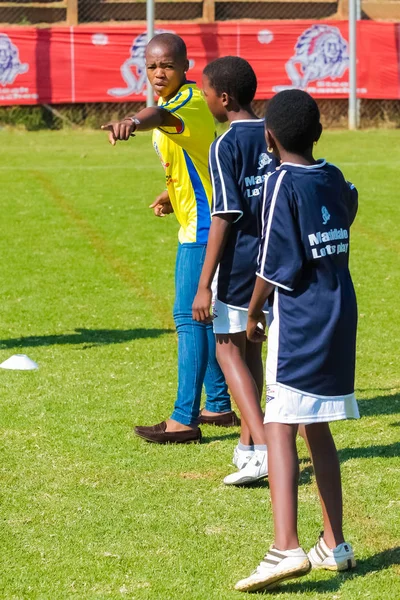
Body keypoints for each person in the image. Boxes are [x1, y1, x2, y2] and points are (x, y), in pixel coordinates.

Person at [235, 89, 359, 592]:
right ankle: (334, 544)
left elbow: (275, 262)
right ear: (319, 132)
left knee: (281, 421)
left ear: (269, 137)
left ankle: (284, 545)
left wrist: (253, 308)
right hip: (340, 309)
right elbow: (348, 204)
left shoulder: (280, 182)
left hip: (301, 316)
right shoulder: (331, 174)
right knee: (317, 424)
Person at [102, 33, 237, 444]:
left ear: (185, 66)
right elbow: (197, 157)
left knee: (188, 317)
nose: (159, 73)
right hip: (197, 216)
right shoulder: (176, 101)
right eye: (152, 66)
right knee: (201, 318)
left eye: (167, 66)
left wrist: (133, 122)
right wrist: (173, 192)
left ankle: (183, 418)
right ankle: (216, 404)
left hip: (203, 227)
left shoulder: (187, 101)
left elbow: (157, 119)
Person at [192, 56, 277, 484]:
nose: (204, 98)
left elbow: (224, 214)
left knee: (227, 349)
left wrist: (204, 284)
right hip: (274, 260)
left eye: (205, 93)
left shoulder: (225, 145)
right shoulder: (273, 132)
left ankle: (265, 448)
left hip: (240, 263)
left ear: (223, 98)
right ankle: (247, 443)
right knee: (251, 348)